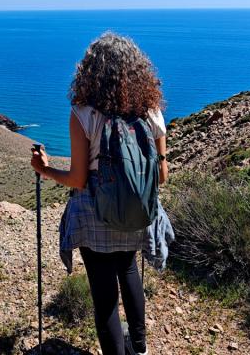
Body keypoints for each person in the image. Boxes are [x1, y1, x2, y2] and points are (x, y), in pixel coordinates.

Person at [31, 32, 168, 355]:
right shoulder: (151, 112)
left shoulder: (83, 114)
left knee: (104, 296)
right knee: (130, 269)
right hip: (138, 214)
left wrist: (45, 169)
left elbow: (79, 180)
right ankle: (141, 347)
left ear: (90, 71)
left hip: (94, 216)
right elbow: (161, 174)